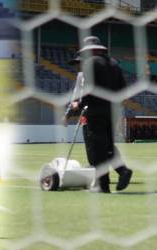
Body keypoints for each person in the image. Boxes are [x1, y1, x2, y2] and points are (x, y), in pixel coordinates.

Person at [71, 36, 133, 193]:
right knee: (108, 145)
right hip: (112, 110)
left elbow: (87, 88)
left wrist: (80, 103)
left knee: (97, 147)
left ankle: (102, 185)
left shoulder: (89, 63)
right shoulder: (114, 63)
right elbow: (123, 89)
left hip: (95, 110)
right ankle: (122, 170)